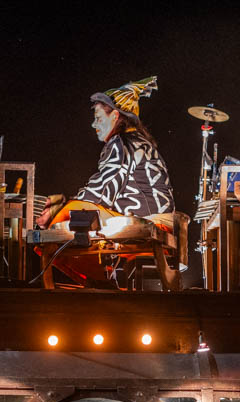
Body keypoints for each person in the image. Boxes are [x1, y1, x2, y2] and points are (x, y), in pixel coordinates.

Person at [35, 76, 175, 286]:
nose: (94, 124)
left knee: (65, 218)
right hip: (161, 221)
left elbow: (102, 191)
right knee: (74, 214)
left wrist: (58, 209)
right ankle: (101, 281)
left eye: (98, 117)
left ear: (115, 116)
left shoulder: (121, 142)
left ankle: (99, 282)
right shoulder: (138, 141)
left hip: (151, 222)